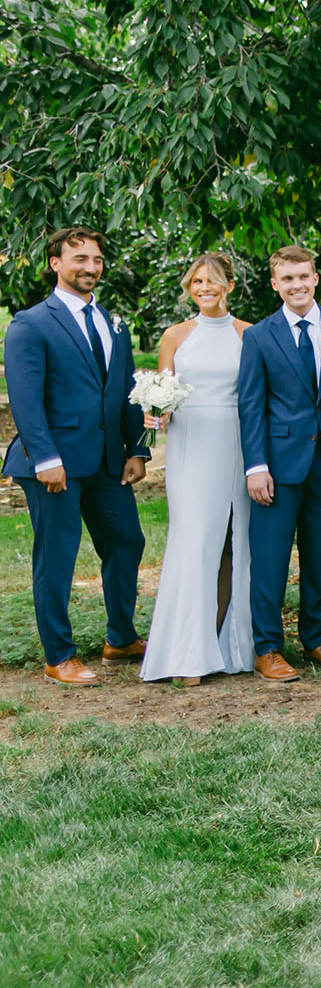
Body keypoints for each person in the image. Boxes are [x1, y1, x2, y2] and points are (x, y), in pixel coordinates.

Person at [1, 226, 149, 687]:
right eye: (80, 258)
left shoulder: (113, 322)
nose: (91, 267)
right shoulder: (31, 323)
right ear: (56, 264)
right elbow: (24, 398)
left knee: (128, 541)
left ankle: (120, 638)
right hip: (54, 464)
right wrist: (45, 457)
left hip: (107, 461)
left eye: (97, 259)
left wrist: (138, 449)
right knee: (58, 557)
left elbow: (126, 390)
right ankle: (58, 655)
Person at [140, 254, 255, 685]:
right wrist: (157, 415)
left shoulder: (248, 333)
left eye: (213, 281)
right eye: (196, 282)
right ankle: (187, 650)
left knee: (235, 541)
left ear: (229, 285)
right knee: (194, 540)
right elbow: (162, 392)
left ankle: (233, 644)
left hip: (237, 441)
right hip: (190, 444)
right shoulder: (175, 335)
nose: (205, 288)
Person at [238, 245, 321, 682]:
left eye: (303, 276)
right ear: (275, 284)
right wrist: (255, 466)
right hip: (277, 466)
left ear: (315, 278)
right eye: (287, 279)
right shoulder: (259, 336)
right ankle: (267, 647)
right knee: (270, 559)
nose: (297, 285)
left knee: (319, 556)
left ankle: (315, 638)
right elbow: (250, 406)